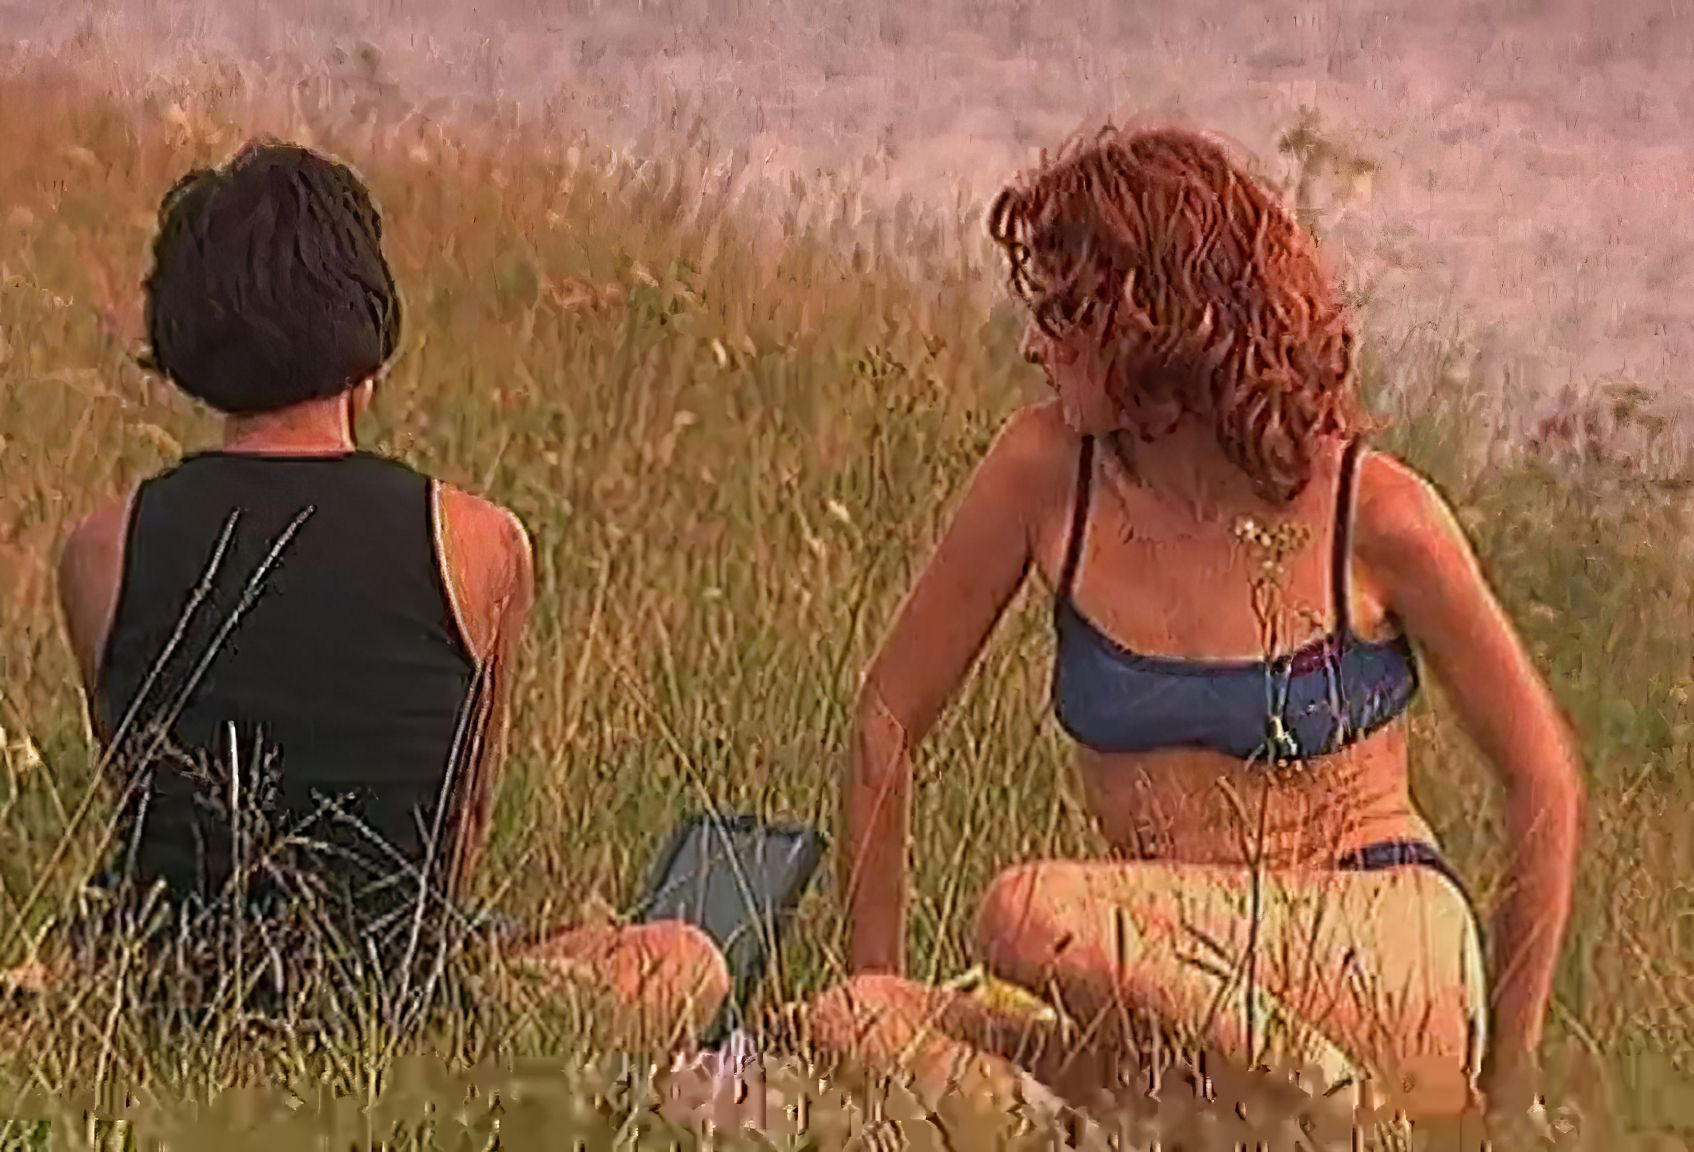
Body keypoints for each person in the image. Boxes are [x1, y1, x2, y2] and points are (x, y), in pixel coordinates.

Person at [809, 123, 1584, 1121]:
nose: (1033, 345)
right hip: (1167, 1003)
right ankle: (1184, 1132)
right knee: (850, 1021)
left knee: (1027, 913)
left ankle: (1332, 1116)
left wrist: (1508, 1086)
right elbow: (884, 720)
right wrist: (877, 979)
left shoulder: (1374, 510)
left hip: (1380, 962)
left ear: (1153, 323)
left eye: (1064, 315)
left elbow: (1542, 776)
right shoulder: (1043, 474)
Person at [34, 138, 728, 1039]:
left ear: (189, 334)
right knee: (685, 960)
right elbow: (456, 835)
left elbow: (143, 810)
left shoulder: (100, 549)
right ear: (366, 339)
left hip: (176, 994)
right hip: (391, 1003)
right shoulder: (479, 544)